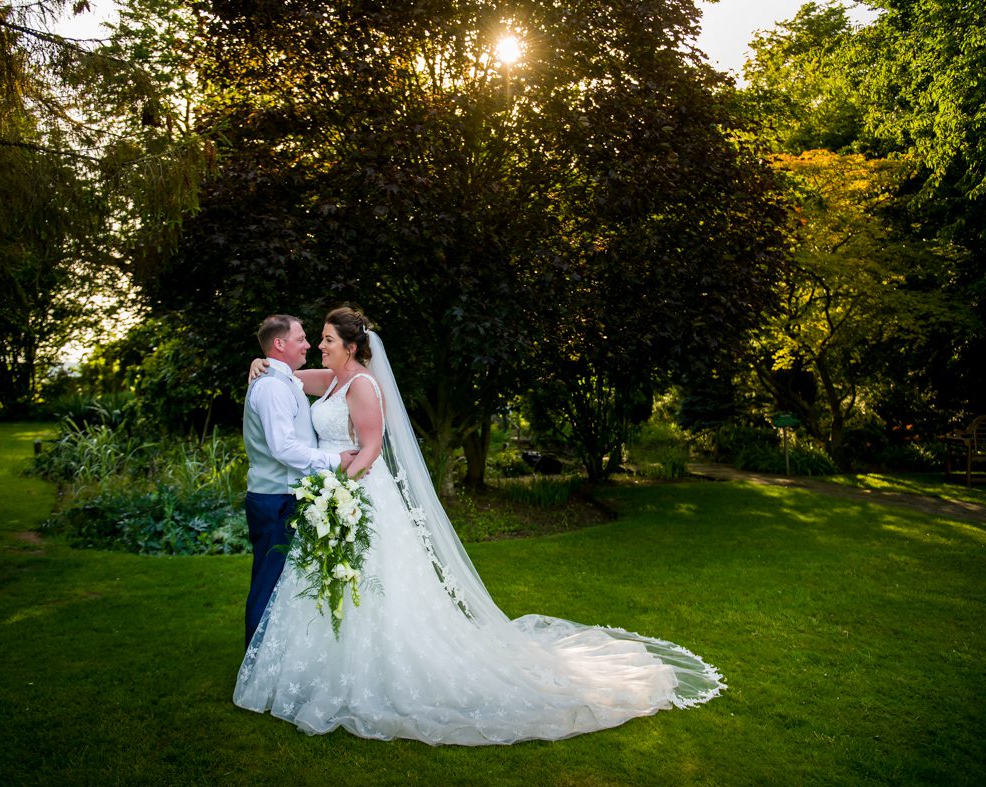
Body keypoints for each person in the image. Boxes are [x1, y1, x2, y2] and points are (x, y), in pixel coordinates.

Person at [234, 307, 725, 745]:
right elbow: (286, 375)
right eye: (315, 339)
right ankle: (327, 665)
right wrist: (260, 365)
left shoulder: (361, 384)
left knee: (376, 584)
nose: (319, 345)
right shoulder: (331, 380)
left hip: (361, 494)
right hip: (338, 490)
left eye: (326, 340)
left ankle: (382, 666)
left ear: (351, 346)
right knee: (334, 579)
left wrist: (340, 488)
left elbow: (372, 448)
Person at [241, 314, 356, 649]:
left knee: (283, 582)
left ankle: (275, 660)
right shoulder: (274, 388)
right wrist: (334, 461)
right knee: (269, 582)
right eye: (301, 338)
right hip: (275, 498)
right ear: (280, 344)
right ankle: (255, 662)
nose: (309, 344)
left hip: (284, 495)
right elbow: (283, 448)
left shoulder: (286, 381)